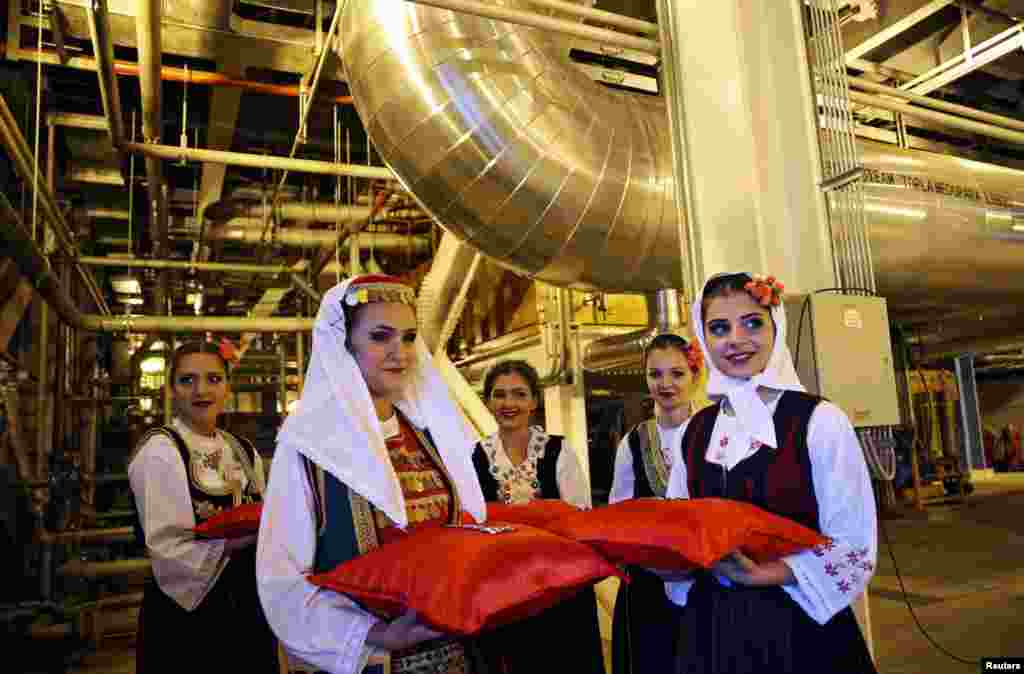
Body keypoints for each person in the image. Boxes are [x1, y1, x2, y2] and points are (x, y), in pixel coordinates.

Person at [256, 274, 489, 674]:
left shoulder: (430, 435)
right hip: (371, 660)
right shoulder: (309, 449)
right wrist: (373, 634)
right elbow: (282, 581)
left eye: (410, 337)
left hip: (454, 655)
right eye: (381, 336)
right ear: (345, 346)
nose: (400, 352)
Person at [665, 272, 878, 674]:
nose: (736, 339)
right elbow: (680, 525)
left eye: (752, 322)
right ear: (704, 339)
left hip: (798, 629)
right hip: (713, 631)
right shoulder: (693, 432)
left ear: (775, 325)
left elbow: (855, 543)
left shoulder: (820, 421)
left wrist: (769, 572)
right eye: (719, 328)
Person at [128, 339, 277, 674]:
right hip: (190, 608)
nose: (201, 390)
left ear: (227, 387)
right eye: (187, 380)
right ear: (171, 389)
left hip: (248, 603)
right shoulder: (161, 450)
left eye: (213, 379)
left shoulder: (243, 449)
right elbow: (166, 548)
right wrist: (231, 544)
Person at [471, 359, 603, 674]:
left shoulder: (558, 451)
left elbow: (580, 519)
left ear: (534, 401)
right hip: (502, 588)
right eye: (499, 395)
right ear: (488, 401)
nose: (509, 403)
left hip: (559, 587)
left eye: (519, 394)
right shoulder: (476, 456)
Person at [607, 332, 705, 674]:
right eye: (655, 374)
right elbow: (616, 518)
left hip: (710, 577)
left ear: (695, 375)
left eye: (677, 373)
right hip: (648, 581)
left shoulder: (717, 434)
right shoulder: (633, 443)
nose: (666, 384)